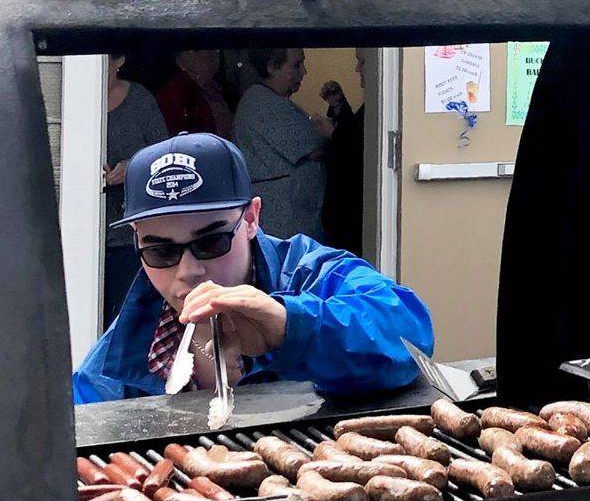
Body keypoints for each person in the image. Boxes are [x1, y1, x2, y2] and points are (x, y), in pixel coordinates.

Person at [73, 133, 432, 404]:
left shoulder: (307, 271)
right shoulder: (141, 321)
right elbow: (83, 414)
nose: (188, 270)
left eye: (211, 241)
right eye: (160, 250)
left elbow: (410, 334)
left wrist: (291, 327)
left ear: (251, 218)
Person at [233, 46, 330, 242]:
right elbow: (317, 146)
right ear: (272, 67)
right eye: (296, 65)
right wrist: (328, 133)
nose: (304, 72)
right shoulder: (262, 104)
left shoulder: (274, 101)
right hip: (283, 226)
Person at [102, 50, 168, 322]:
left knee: (126, 311)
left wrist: (130, 167)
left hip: (129, 230)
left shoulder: (140, 100)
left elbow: (163, 154)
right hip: (85, 230)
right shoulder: (79, 95)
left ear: (119, 61)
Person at [320, 49, 368, 258]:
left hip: (351, 212)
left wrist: (333, 134)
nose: (357, 68)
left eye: (362, 62)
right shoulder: (374, 105)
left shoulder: (380, 106)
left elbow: (358, 147)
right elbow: (356, 130)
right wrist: (339, 104)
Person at [156, 49, 235, 136]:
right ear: (179, 59)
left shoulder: (226, 88)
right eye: (195, 51)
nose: (209, 55)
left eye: (214, 48)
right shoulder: (176, 95)